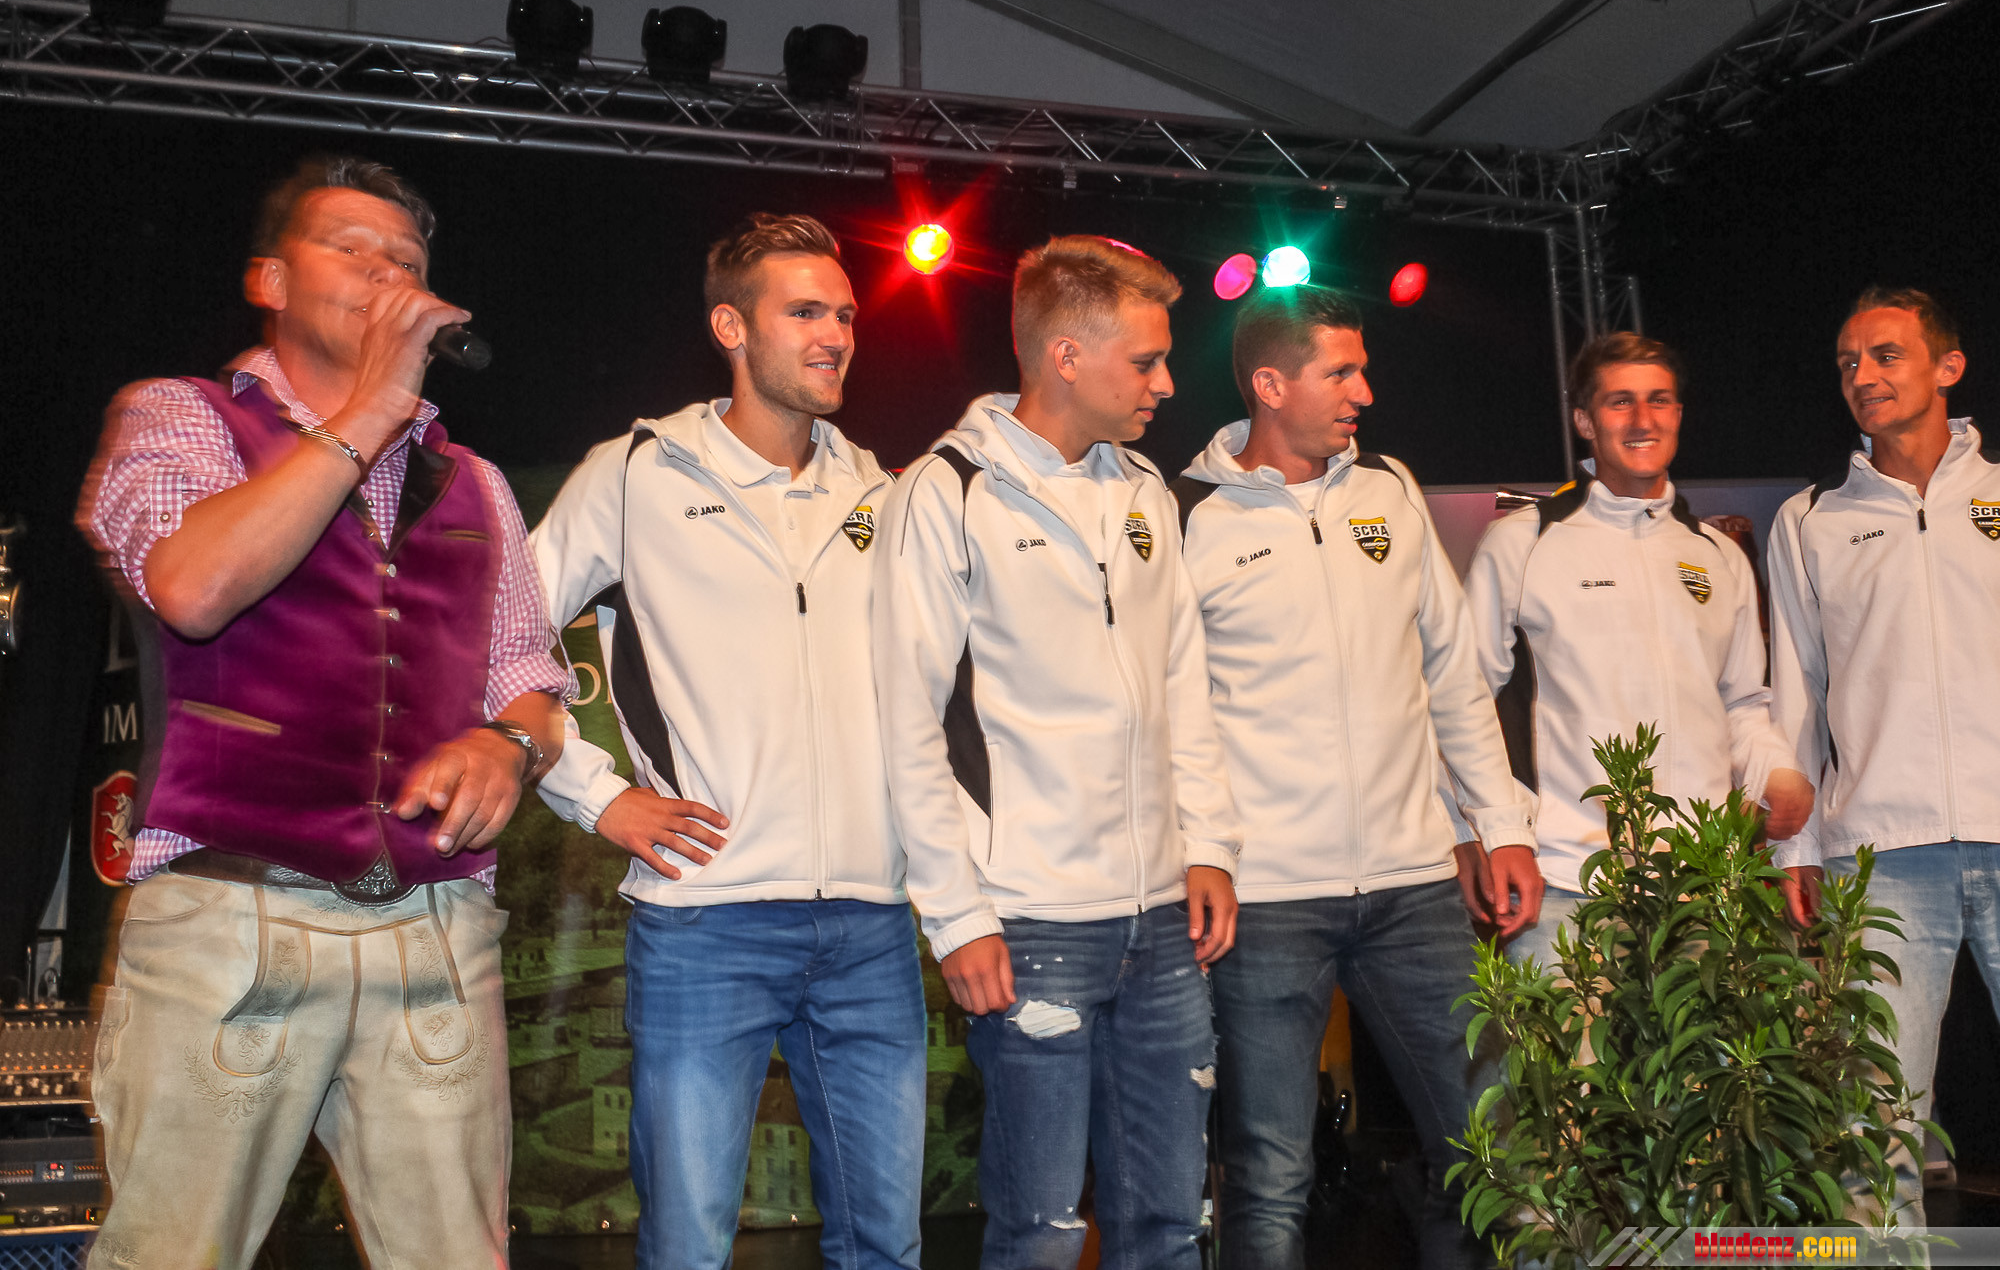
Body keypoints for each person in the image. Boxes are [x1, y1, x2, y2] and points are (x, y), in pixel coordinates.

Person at [76, 155, 570, 1270]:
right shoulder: (181, 416)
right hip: (229, 919)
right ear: (270, 279)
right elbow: (194, 586)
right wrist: (371, 410)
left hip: (435, 926)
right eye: (352, 249)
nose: (387, 271)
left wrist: (508, 742)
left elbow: (530, 680)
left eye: (407, 259)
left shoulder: (476, 482)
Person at [529, 213, 923, 1270]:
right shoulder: (635, 471)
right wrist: (597, 794)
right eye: (806, 312)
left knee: (886, 1246)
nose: (835, 335)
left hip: (872, 921)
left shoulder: (884, 492)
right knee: (688, 1247)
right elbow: (496, 639)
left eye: (844, 314)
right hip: (707, 920)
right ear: (730, 327)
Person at [874, 235, 1242, 1270]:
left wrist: (1208, 845)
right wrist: (957, 915)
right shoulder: (945, 491)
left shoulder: (1148, 490)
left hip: (1163, 922)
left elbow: (1182, 684)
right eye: (1146, 361)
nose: (1167, 385)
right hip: (1028, 921)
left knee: (1168, 1225)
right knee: (1039, 1234)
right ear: (1066, 356)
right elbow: (905, 722)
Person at [1172, 285, 1538, 1270]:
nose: (1363, 393)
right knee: (1269, 1177)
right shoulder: (1187, 514)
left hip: (1415, 885)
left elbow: (1451, 673)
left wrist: (1497, 824)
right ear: (1269, 384)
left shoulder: (1390, 488)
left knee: (1488, 1153)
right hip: (1267, 898)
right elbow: (1176, 714)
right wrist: (1205, 851)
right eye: (1340, 372)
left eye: (1362, 370)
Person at [1464, 332, 1812, 971]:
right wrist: (1495, 834)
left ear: (1679, 413)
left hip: (1704, 886)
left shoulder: (1719, 555)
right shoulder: (1522, 543)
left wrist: (1775, 773)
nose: (1643, 419)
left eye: (1660, 400)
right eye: (1620, 402)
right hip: (1568, 884)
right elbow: (1464, 704)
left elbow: (1741, 704)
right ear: (1585, 420)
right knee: (1569, 1047)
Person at [1766, 287, 1997, 1221]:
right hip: (1882, 854)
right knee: (1875, 1129)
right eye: (1847, 362)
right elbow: (1794, 688)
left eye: (1886, 355)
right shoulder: (1810, 517)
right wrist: (1797, 846)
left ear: (1948, 367)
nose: (1861, 375)